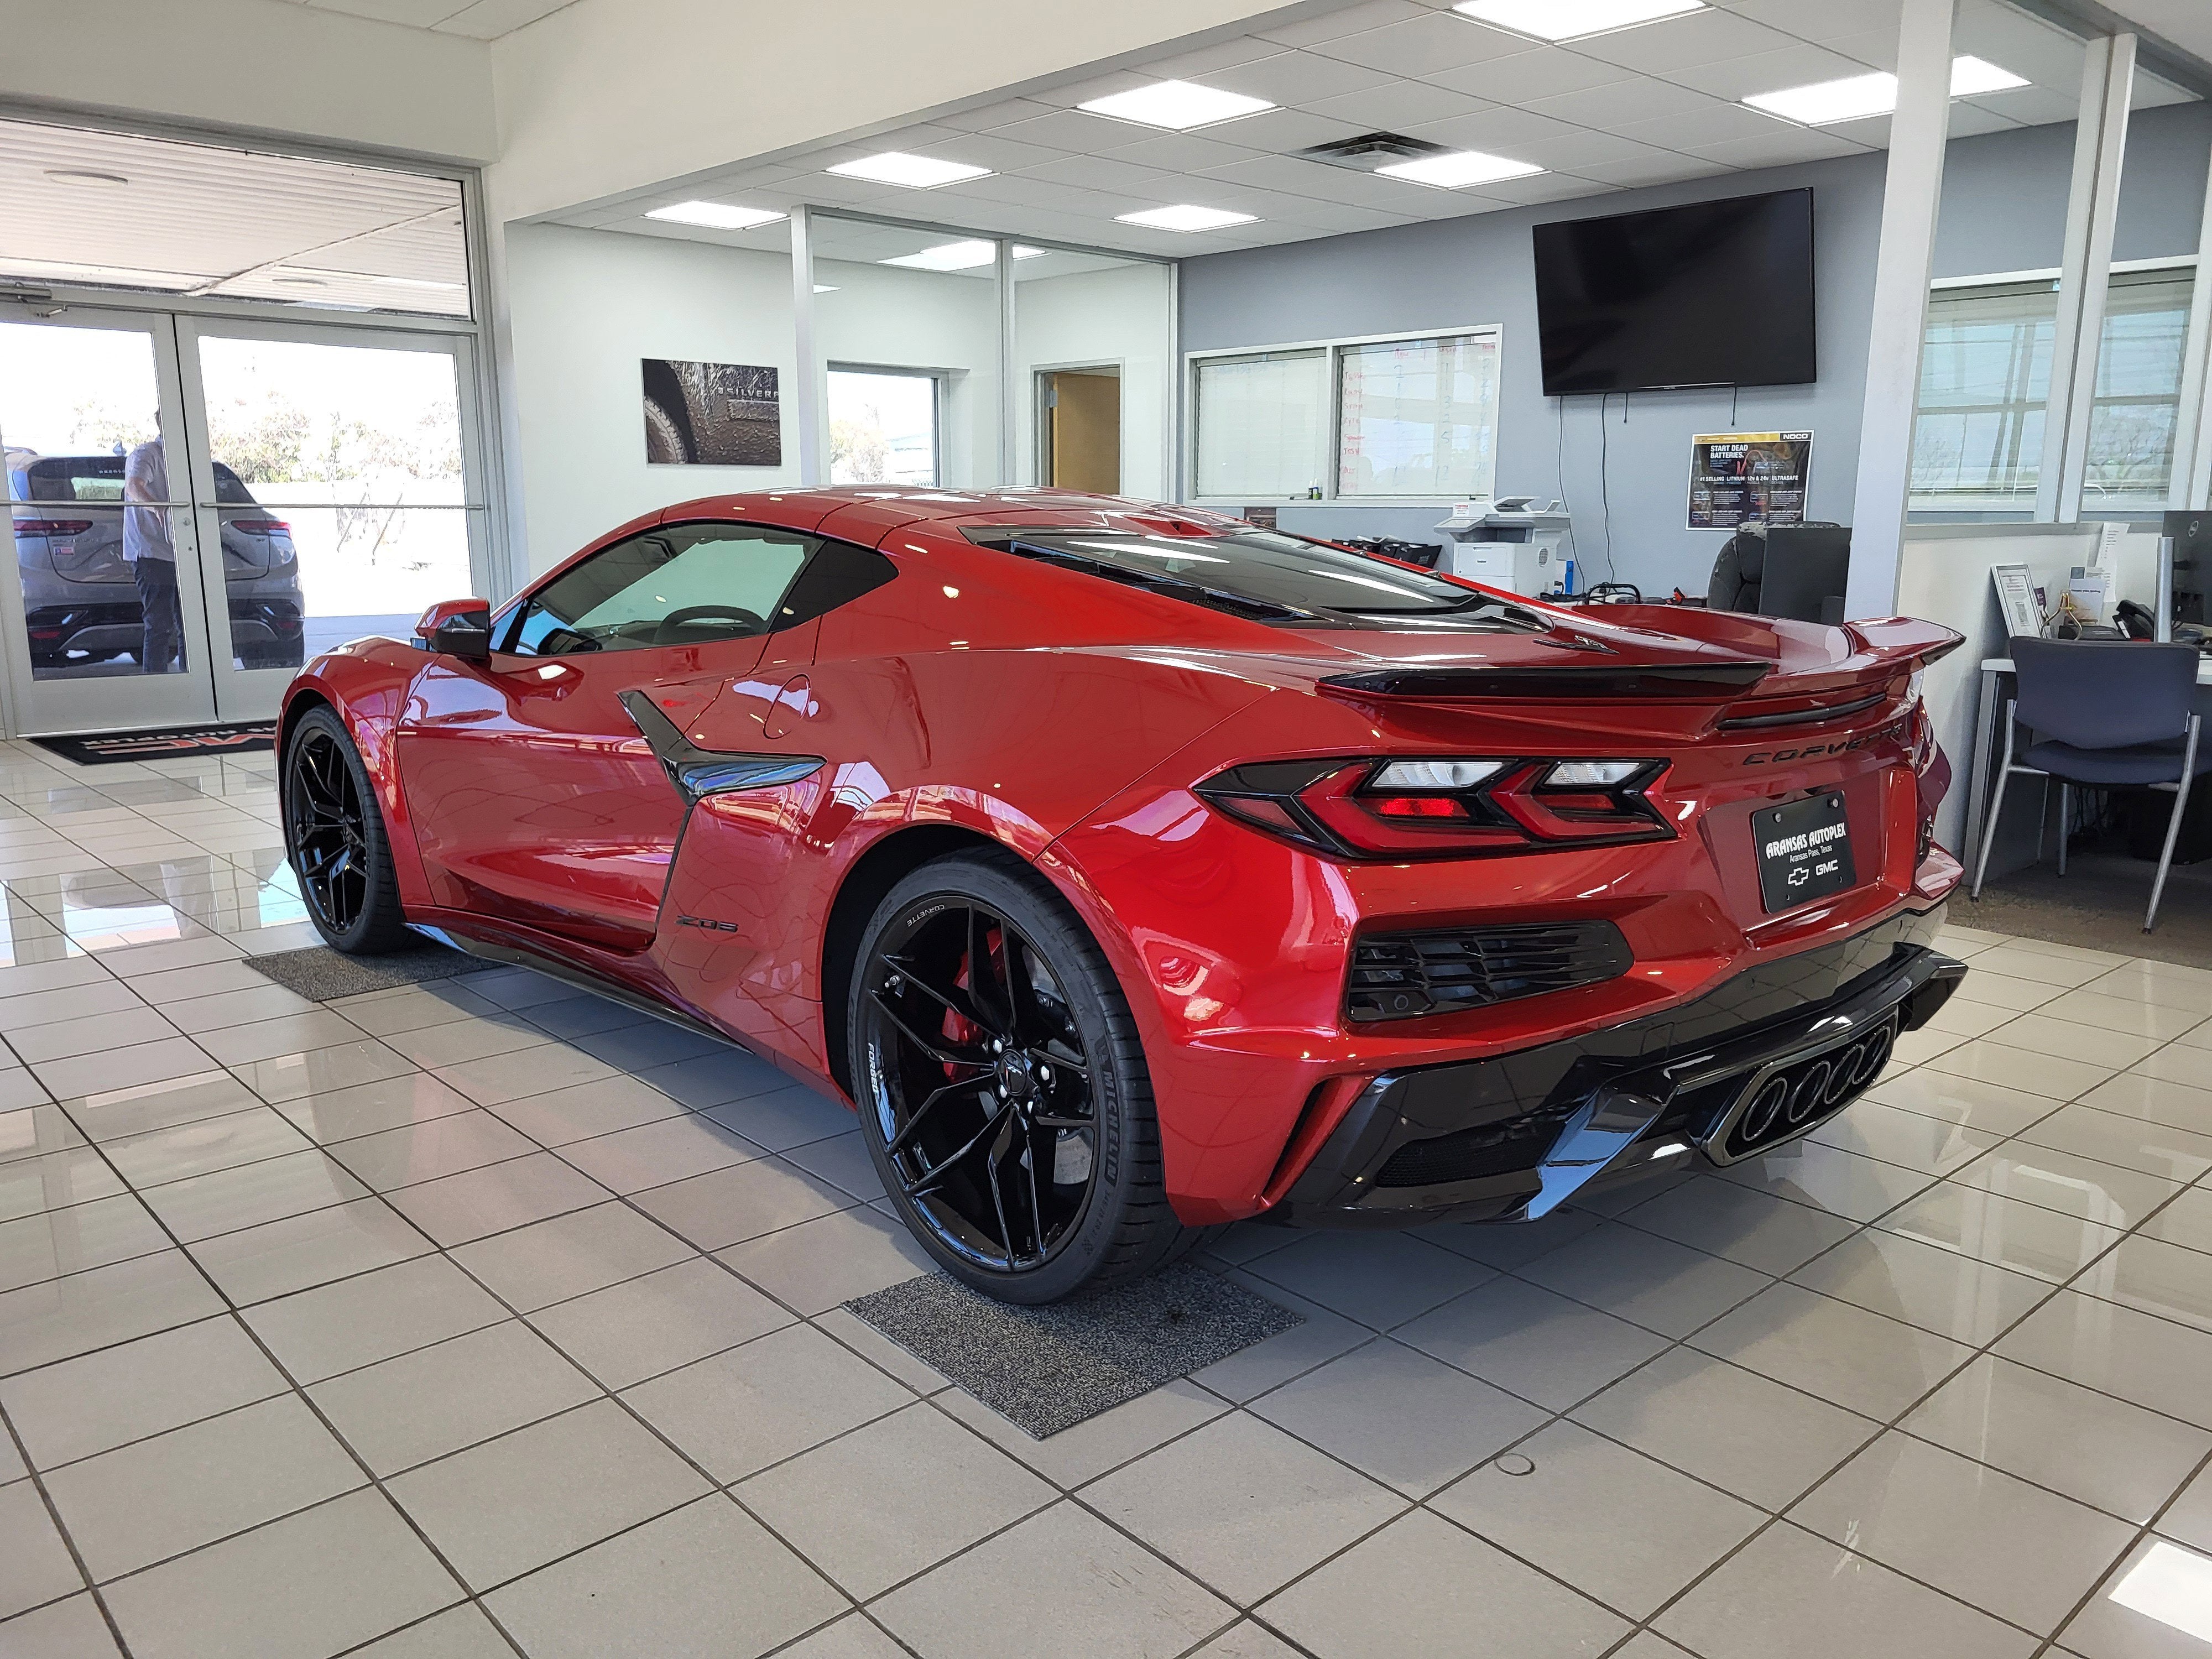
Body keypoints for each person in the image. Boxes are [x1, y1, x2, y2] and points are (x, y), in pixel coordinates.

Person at [123, 426, 182, 673]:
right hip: (151, 553)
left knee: (189, 625)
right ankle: (158, 689)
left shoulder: (184, 460)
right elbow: (134, 486)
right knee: (159, 625)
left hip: (183, 552)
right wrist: (157, 508)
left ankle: (193, 686)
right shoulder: (146, 454)